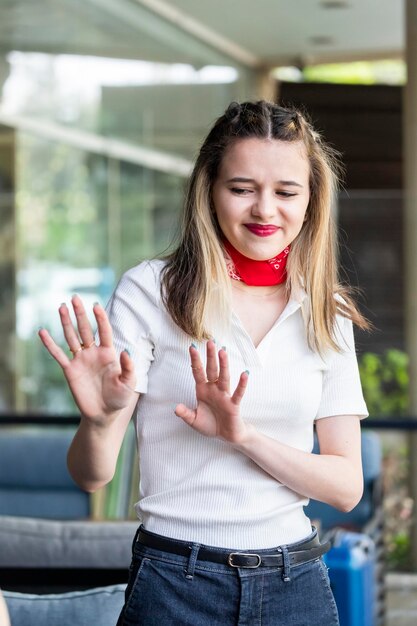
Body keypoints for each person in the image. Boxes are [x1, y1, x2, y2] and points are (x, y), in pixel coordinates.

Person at [39, 100, 369, 626]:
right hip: (175, 582)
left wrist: (244, 436)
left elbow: (345, 487)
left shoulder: (327, 312)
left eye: (286, 192)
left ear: (311, 201)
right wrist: (100, 420)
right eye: (241, 189)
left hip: (295, 585)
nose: (265, 210)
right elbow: (90, 477)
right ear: (209, 191)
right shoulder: (152, 290)